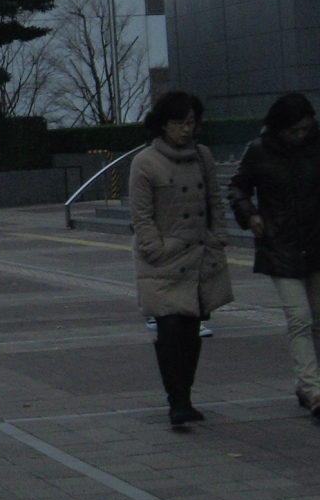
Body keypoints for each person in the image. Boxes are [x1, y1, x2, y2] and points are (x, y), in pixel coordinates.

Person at [129, 90, 232, 427]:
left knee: (191, 331)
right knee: (170, 328)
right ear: (163, 124)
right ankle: (177, 400)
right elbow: (141, 215)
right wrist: (155, 249)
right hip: (163, 260)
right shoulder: (145, 161)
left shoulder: (202, 156)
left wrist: (217, 238)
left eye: (191, 123)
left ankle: (185, 395)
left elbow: (215, 201)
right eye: (179, 123)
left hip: (199, 255)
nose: (187, 130)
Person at [228, 92, 320, 419]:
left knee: (318, 318)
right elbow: (238, 187)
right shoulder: (259, 150)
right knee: (300, 318)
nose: (301, 135)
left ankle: (309, 382)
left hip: (316, 241)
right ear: (279, 128)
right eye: (294, 130)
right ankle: (312, 388)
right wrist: (250, 215)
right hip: (280, 244)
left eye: (306, 128)